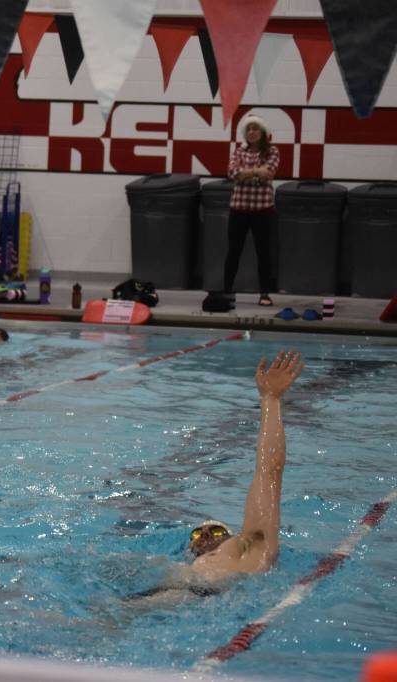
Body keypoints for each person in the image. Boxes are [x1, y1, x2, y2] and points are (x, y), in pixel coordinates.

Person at [125, 350, 304, 605]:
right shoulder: (180, 565)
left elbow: (269, 472)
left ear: (234, 537)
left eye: (217, 530)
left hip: (201, 597)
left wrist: (271, 400)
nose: (205, 534)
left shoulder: (251, 547)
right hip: (171, 597)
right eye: (197, 534)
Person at [224, 114, 280, 308]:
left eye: (255, 128)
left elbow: (269, 173)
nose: (252, 132)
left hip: (263, 210)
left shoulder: (272, 151)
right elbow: (232, 173)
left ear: (263, 132)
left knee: (263, 253)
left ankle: (265, 293)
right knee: (233, 251)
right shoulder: (239, 151)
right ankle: (226, 291)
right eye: (248, 129)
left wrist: (245, 174)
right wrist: (257, 172)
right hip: (238, 209)